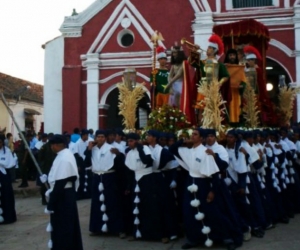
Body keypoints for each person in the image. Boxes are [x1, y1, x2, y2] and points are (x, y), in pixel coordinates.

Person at [169, 128, 242, 250]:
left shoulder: (206, 152)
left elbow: (214, 174)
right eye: (192, 134)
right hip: (191, 182)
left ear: (201, 138)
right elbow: (172, 149)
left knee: (213, 212)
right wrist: (182, 140)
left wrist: (212, 190)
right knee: (190, 212)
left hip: (204, 183)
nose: (192, 136)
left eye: (195, 134)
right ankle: (194, 238)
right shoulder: (188, 150)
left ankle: (225, 237)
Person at [44, 134, 83, 250]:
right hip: (64, 193)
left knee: (64, 226)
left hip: (63, 195)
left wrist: (51, 202)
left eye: (51, 145)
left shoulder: (65, 157)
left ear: (55, 145)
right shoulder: (63, 155)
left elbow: (61, 181)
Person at [85, 129, 125, 237]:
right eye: (98, 137)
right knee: (96, 202)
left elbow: (120, 165)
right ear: (95, 138)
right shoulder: (92, 149)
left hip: (109, 177)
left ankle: (116, 228)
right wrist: (88, 150)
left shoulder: (111, 148)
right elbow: (86, 163)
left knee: (112, 202)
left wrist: (119, 155)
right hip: (97, 177)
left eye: (102, 137)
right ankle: (97, 228)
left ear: (105, 138)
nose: (100, 139)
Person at [224, 49, 247, 124]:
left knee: (237, 109)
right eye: (230, 55)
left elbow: (244, 81)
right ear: (227, 57)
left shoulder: (239, 68)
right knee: (227, 110)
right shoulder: (224, 67)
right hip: (226, 93)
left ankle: (236, 124)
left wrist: (241, 86)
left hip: (236, 93)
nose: (232, 57)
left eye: (233, 55)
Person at [0, 135, 17, 224]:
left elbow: (8, 163)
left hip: (4, 175)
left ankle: (8, 217)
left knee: (6, 195)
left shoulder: (7, 151)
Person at [165, 43, 187, 108]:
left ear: (179, 53)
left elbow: (178, 74)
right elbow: (170, 75)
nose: (173, 54)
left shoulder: (183, 63)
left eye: (175, 53)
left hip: (180, 85)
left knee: (179, 103)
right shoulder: (174, 65)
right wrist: (170, 85)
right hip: (173, 84)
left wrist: (169, 84)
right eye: (173, 53)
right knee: (171, 104)